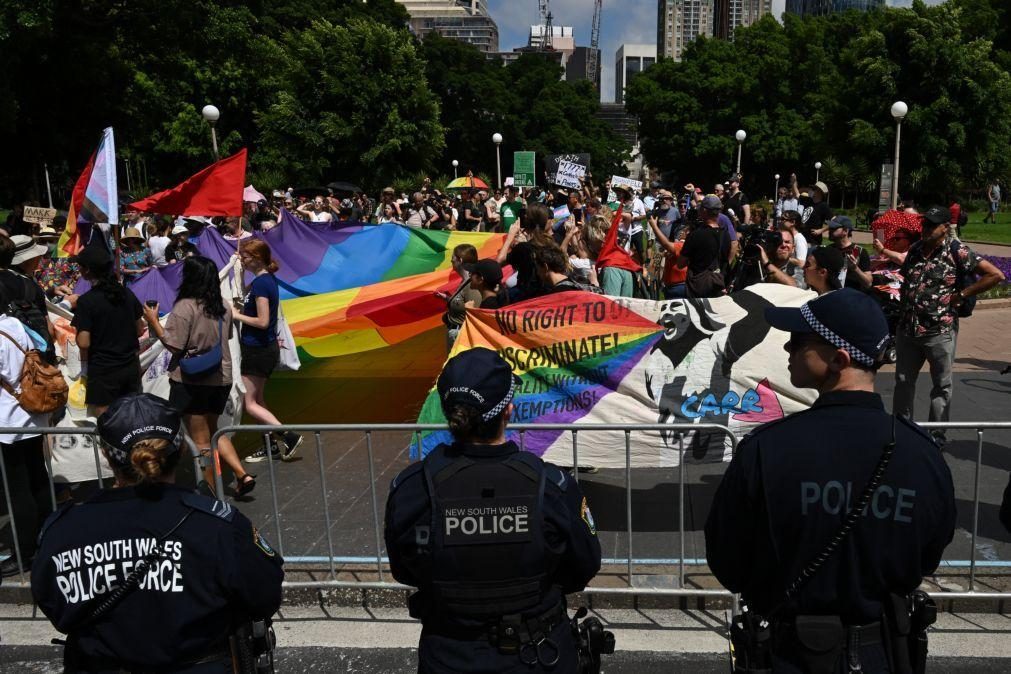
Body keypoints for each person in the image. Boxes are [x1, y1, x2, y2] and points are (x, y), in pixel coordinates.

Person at [705, 289, 956, 673]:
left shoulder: (767, 449)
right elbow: (928, 554)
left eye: (801, 341)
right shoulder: (922, 454)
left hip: (789, 655)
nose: (788, 347)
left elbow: (728, 559)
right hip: (882, 653)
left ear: (839, 359)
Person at [385, 348, 602, 673]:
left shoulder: (413, 489)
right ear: (508, 410)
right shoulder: (552, 486)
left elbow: (404, 569)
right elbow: (583, 566)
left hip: (450, 656)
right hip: (538, 656)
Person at [31, 393, 284, 672]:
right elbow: (264, 595)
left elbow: (53, 603)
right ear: (182, 449)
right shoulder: (217, 526)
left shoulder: (63, 529)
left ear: (105, 454)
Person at [143, 256, 254, 497]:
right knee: (214, 430)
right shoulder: (223, 305)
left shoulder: (185, 307)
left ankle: (211, 491)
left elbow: (174, 345)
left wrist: (153, 321)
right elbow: (228, 338)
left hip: (192, 381)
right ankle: (240, 473)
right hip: (221, 378)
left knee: (201, 440)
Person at [893, 206, 1005, 439]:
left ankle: (935, 437)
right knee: (903, 382)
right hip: (908, 330)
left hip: (939, 331)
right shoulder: (915, 250)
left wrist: (962, 295)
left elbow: (995, 275)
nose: (926, 229)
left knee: (941, 387)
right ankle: (901, 432)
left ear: (945, 228)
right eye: (925, 224)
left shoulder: (957, 251)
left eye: (932, 225)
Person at [235, 239, 303, 462]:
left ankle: (287, 435)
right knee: (258, 400)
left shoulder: (263, 283)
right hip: (260, 348)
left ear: (255, 258)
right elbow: (246, 296)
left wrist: (235, 316)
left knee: (249, 403)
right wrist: (237, 271)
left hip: (259, 349)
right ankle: (270, 444)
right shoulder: (260, 281)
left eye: (244, 257)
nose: (242, 260)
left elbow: (263, 321)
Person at [0, 304, 53, 577]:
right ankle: (48, 537)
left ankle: (25, 552)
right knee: (39, 480)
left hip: (9, 423)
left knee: (19, 489)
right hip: (33, 415)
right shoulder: (17, 324)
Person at [72, 246, 146, 418]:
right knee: (130, 419)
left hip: (103, 371)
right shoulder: (126, 294)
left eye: (80, 267)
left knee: (107, 423)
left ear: (88, 270)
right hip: (130, 367)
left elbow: (84, 342)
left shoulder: (86, 302)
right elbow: (140, 329)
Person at [0, 234, 56, 360]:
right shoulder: (30, 286)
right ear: (27, 260)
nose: (40, 258)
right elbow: (49, 330)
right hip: (30, 360)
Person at [678, 195, 728, 298]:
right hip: (718, 283)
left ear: (704, 210)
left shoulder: (696, 235)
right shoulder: (725, 235)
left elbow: (680, 264)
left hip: (698, 288)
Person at [442, 244, 482, 349]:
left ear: (460, 260)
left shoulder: (471, 285)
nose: (451, 261)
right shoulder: (464, 282)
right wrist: (447, 299)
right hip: (456, 333)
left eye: (453, 258)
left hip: (462, 337)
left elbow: (474, 311)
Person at [828, 216, 872, 290]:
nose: (830, 230)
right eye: (830, 228)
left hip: (852, 296)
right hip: (832, 295)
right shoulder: (828, 250)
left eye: (834, 228)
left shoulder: (860, 252)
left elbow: (868, 283)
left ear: (845, 231)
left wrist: (855, 268)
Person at [796, 180, 833, 246]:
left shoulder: (823, 206)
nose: (811, 190)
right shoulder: (808, 200)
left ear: (820, 192)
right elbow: (796, 194)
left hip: (813, 241)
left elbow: (834, 221)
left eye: (814, 189)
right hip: (802, 237)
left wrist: (821, 230)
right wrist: (793, 182)